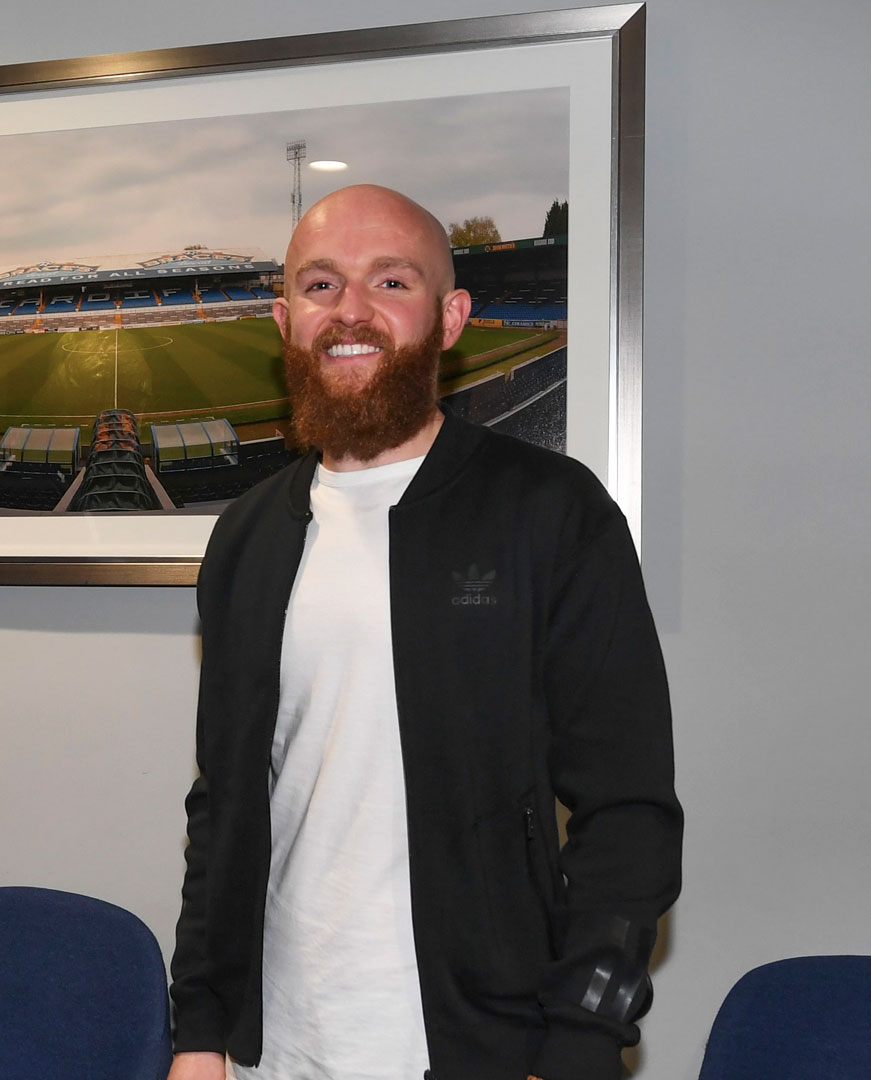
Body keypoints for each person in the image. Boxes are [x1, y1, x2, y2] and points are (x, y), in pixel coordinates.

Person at [167, 185, 681, 1080]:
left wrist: (581, 1042)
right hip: (272, 1046)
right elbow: (224, 803)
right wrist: (200, 1031)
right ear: (286, 320)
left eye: (391, 282)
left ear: (450, 319)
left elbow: (628, 812)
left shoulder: (552, 514)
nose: (351, 312)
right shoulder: (244, 537)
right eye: (322, 286)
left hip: (481, 1048)